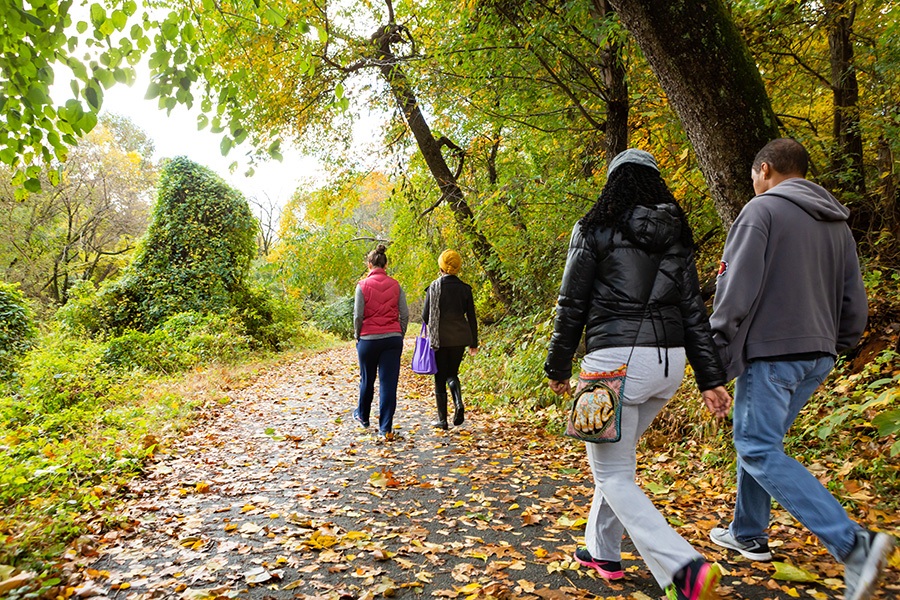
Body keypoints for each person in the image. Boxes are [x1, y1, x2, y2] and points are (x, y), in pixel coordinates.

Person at [707, 138, 892, 600]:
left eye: (754, 177)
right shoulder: (837, 223)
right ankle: (748, 532)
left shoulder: (762, 211)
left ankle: (854, 544)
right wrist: (838, 344)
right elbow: (855, 298)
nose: (753, 185)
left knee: (755, 446)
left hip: (774, 352)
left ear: (764, 169)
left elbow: (736, 287)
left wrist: (715, 345)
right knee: (760, 443)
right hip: (819, 354)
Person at [545, 149, 732, 600]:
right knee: (617, 466)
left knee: (612, 475)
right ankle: (603, 551)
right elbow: (693, 313)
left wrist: (557, 365)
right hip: (667, 368)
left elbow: (572, 303)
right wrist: (710, 379)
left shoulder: (594, 228)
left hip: (614, 362)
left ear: (614, 184)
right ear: (655, 184)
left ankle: (683, 568)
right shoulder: (678, 236)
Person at [353, 244, 409, 437]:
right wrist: (399, 333)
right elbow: (405, 314)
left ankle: (363, 417)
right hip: (392, 339)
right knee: (388, 383)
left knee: (367, 379)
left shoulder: (362, 286)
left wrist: (358, 335)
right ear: (385, 265)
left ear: (369, 264)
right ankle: (385, 428)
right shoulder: (396, 285)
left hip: (368, 340)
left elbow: (358, 316)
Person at [422, 249, 479, 430]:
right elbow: (472, 317)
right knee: (452, 373)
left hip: (440, 338)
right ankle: (458, 402)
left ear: (441, 266)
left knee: (439, 377)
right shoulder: (465, 289)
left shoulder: (434, 287)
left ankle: (442, 420)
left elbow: (425, 316)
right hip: (460, 337)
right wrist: (473, 342)